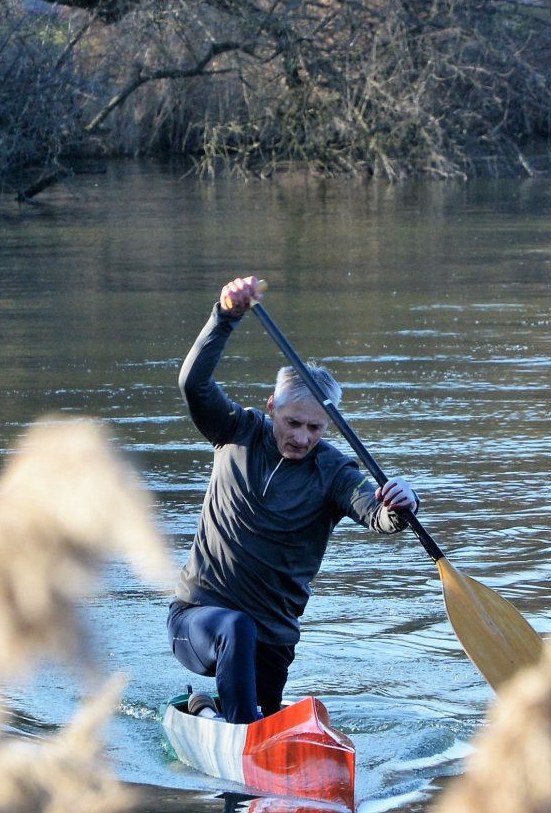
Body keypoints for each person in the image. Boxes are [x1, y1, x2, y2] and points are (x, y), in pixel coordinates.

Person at [169, 275, 419, 724]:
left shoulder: (335, 472)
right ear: (271, 408)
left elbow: (376, 513)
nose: (302, 437)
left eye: (315, 428)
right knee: (235, 628)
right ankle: (236, 728)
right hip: (198, 621)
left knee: (257, 693)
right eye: (292, 422)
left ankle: (208, 710)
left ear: (328, 427)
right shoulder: (235, 430)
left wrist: (401, 506)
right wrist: (224, 316)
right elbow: (194, 384)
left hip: (272, 645)